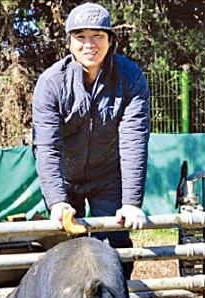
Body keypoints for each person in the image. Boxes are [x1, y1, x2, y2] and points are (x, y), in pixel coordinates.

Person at [31, 3, 150, 279]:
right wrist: (57, 201)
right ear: (69, 42)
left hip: (108, 176)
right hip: (65, 177)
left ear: (110, 41)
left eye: (97, 36)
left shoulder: (130, 77)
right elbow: (47, 147)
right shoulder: (51, 83)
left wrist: (131, 202)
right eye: (80, 36)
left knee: (116, 246)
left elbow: (134, 140)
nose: (89, 44)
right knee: (64, 249)